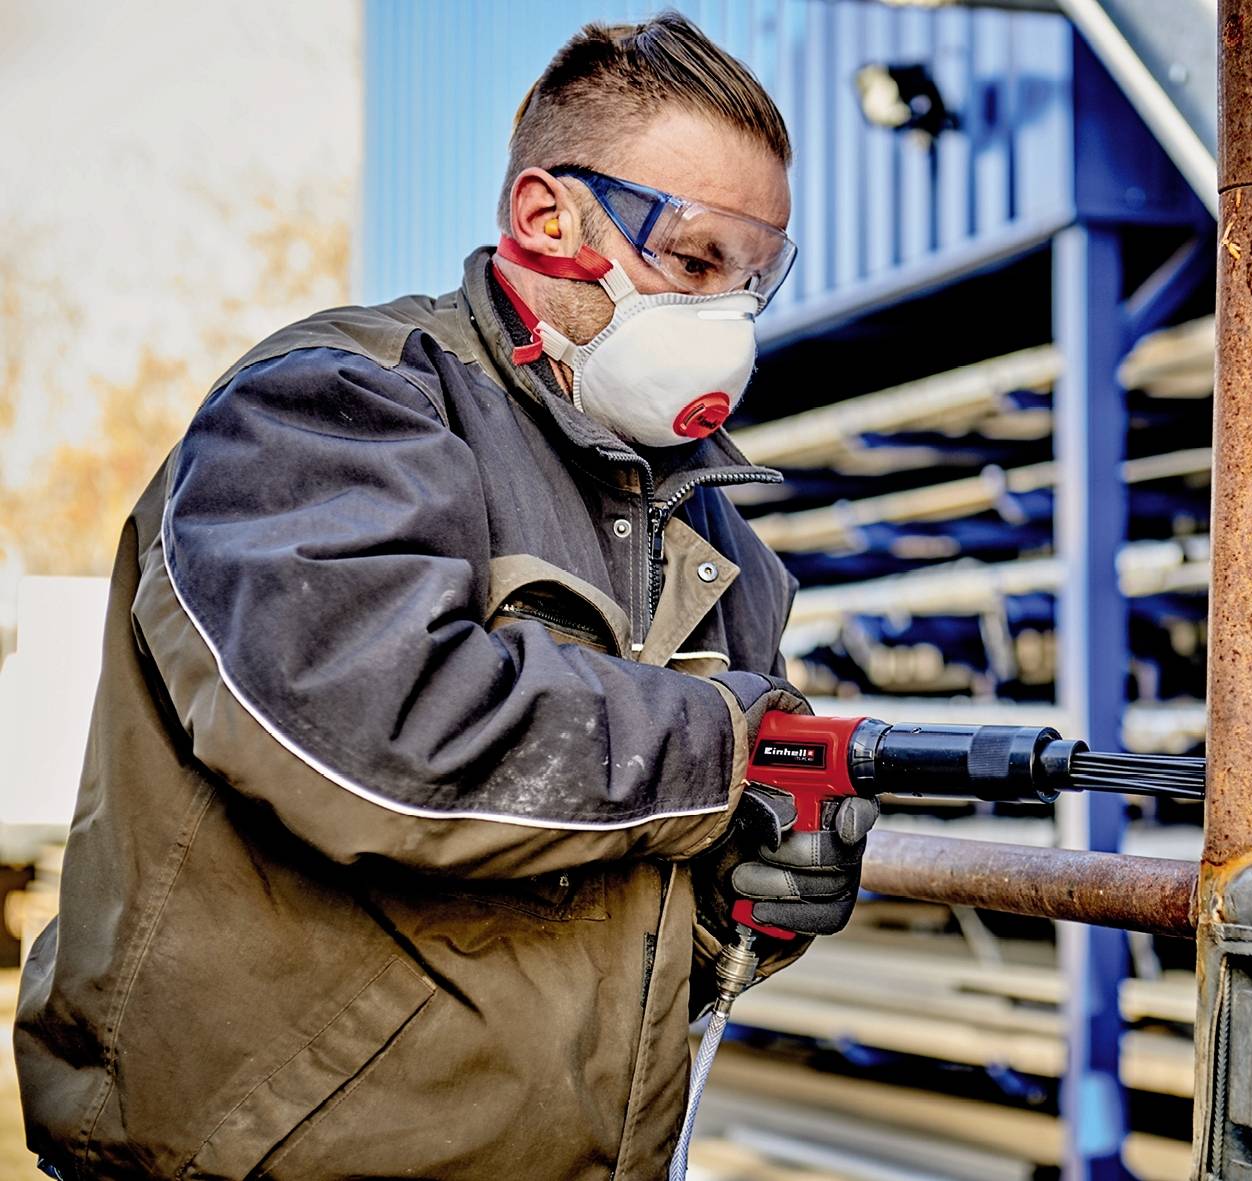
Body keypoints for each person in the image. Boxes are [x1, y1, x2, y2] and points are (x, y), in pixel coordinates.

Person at [14, 13, 875, 1179]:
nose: (727, 314)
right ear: (544, 218)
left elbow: (636, 888)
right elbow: (365, 731)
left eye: (754, 275)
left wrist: (751, 900)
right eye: (693, 257)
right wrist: (724, 750)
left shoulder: (718, 544)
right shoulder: (333, 411)